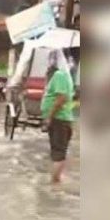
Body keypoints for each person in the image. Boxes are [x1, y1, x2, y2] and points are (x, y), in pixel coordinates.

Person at [41, 50, 76, 184]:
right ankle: (56, 181)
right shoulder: (64, 75)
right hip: (62, 119)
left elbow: (62, 98)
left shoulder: (60, 75)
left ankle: (54, 185)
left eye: (51, 60)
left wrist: (49, 117)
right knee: (58, 152)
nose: (49, 64)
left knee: (58, 153)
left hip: (59, 119)